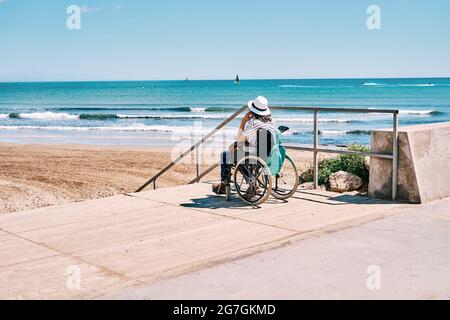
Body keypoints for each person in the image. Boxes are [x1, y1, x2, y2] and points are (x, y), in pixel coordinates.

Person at [212, 96, 279, 194]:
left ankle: (226, 183)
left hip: (255, 156)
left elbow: (239, 139)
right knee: (236, 152)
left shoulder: (253, 123)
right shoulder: (272, 122)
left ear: (253, 111)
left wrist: (243, 121)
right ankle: (250, 181)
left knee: (226, 155)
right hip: (268, 154)